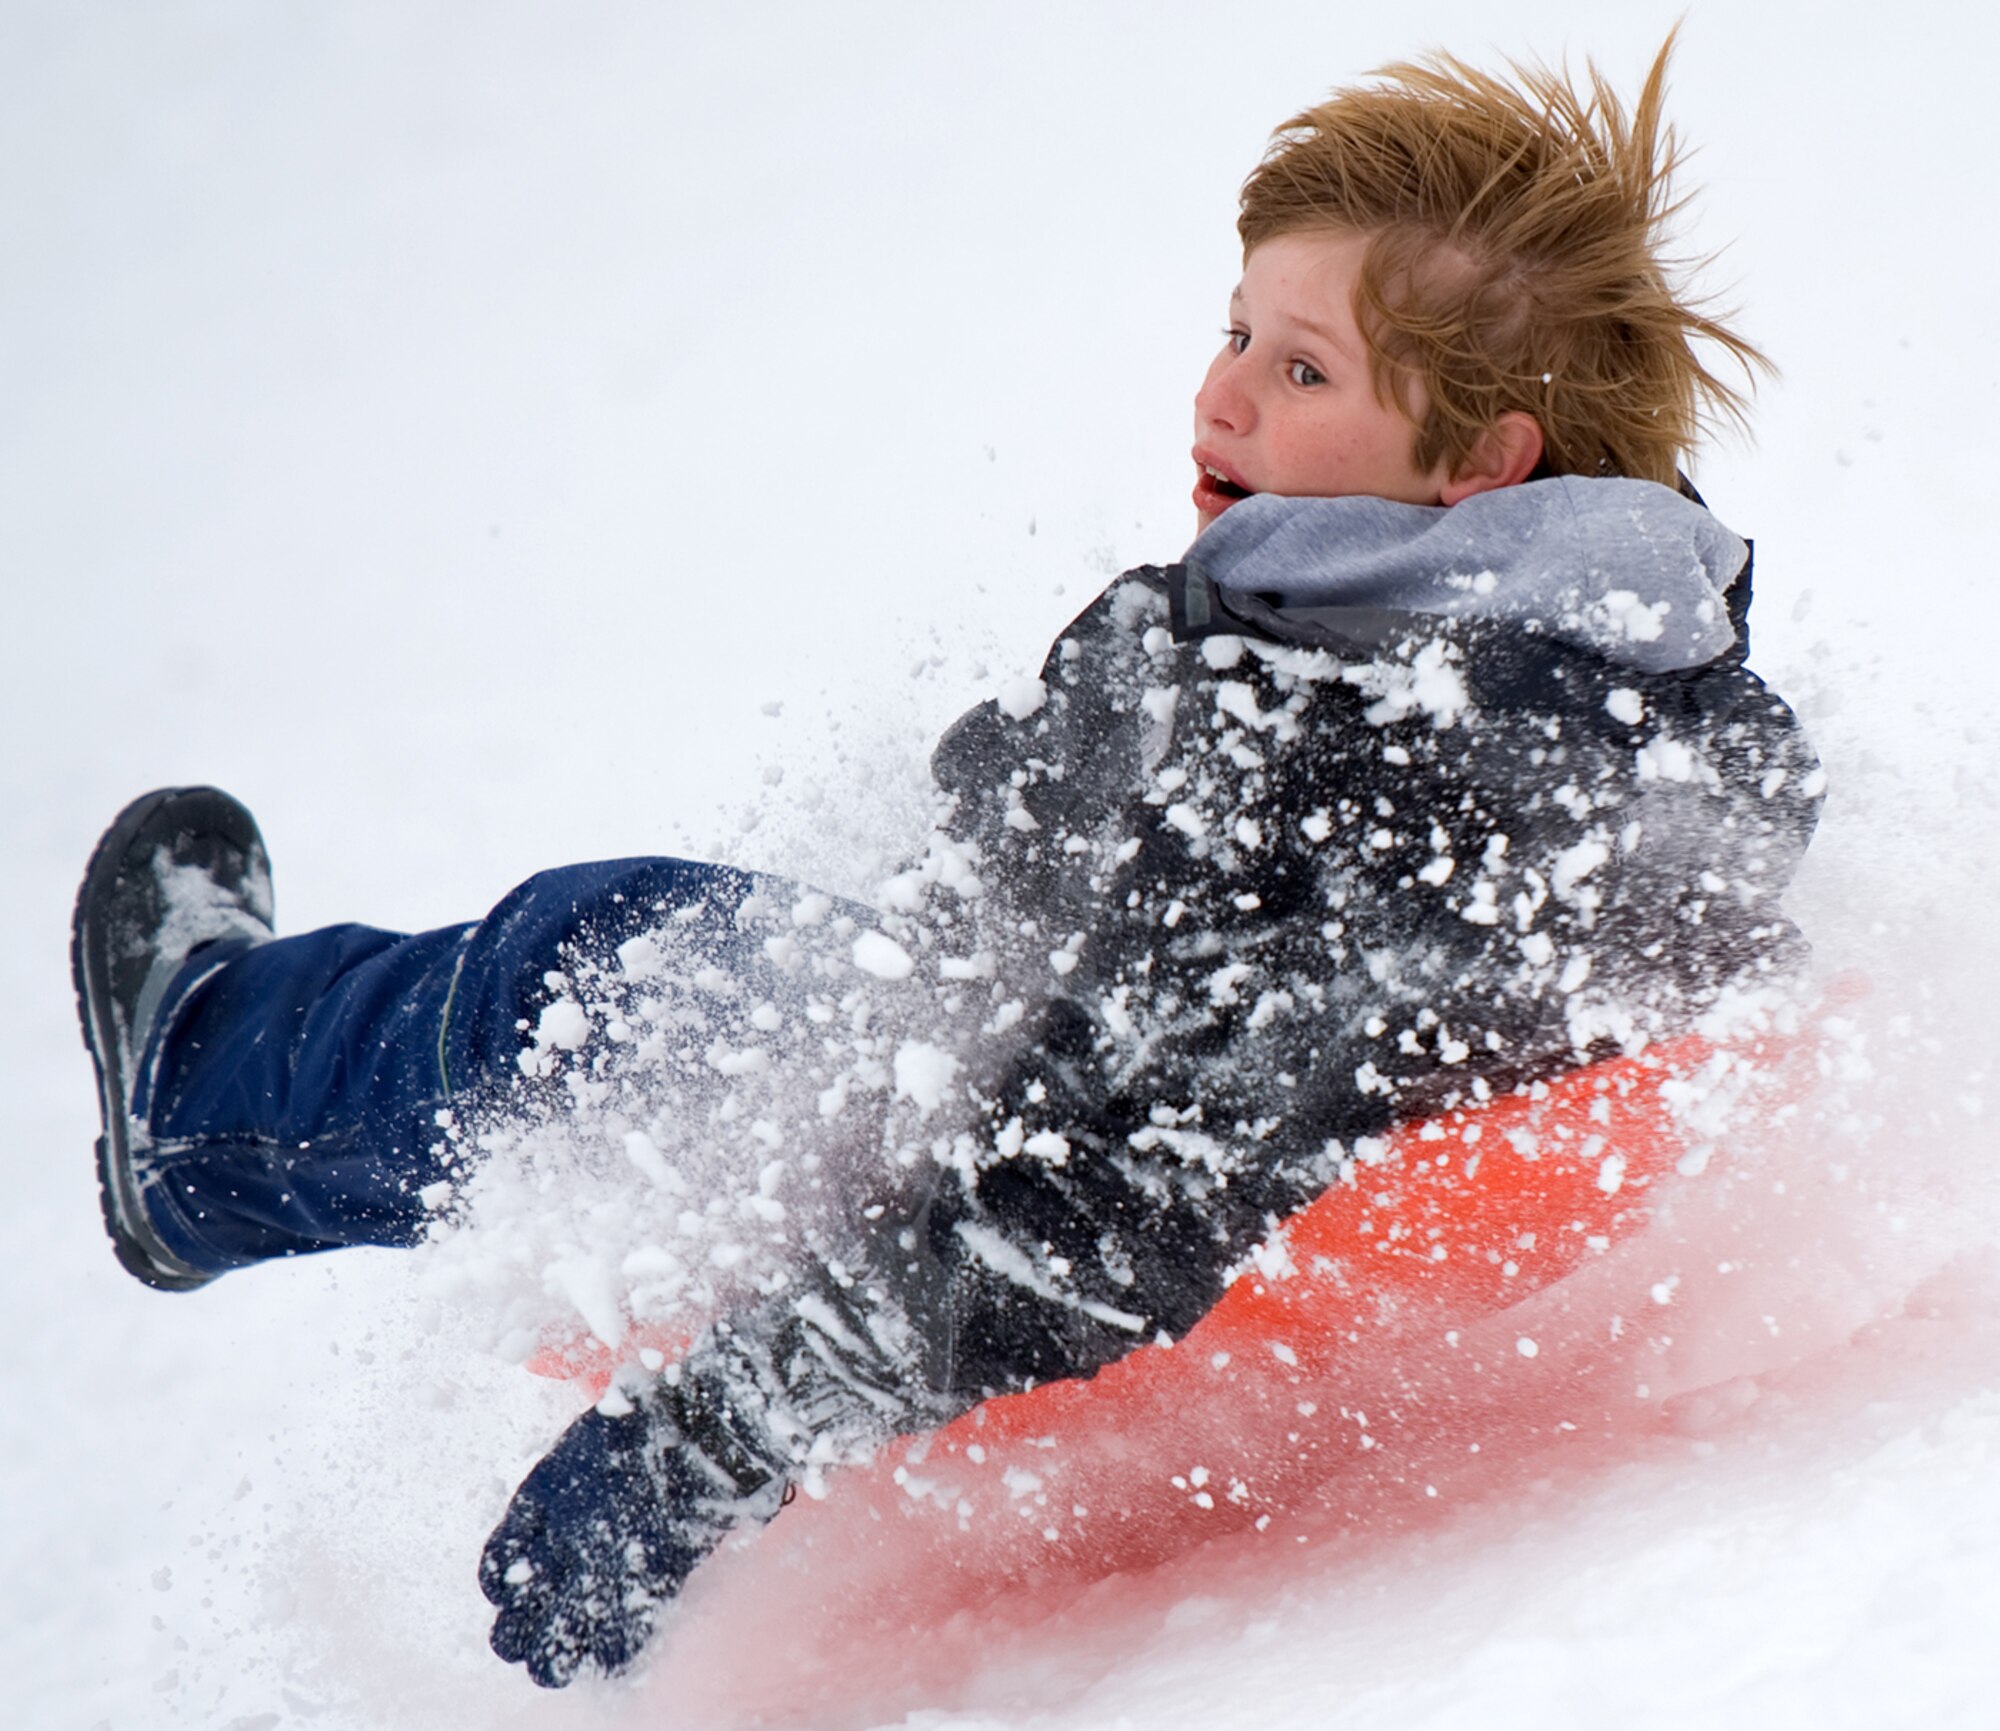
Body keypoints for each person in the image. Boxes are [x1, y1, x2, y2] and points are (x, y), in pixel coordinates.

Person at [71, 36, 1821, 1688]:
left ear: (1483, 469)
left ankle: (197, 1095)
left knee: (592, 967)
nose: (1221, 393)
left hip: (1032, 1240)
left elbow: (1139, 1171)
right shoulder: (1628, 677)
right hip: (1159, 1186)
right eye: (1234, 331)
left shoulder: (1364, 753)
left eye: (1304, 371)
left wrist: (710, 1440)